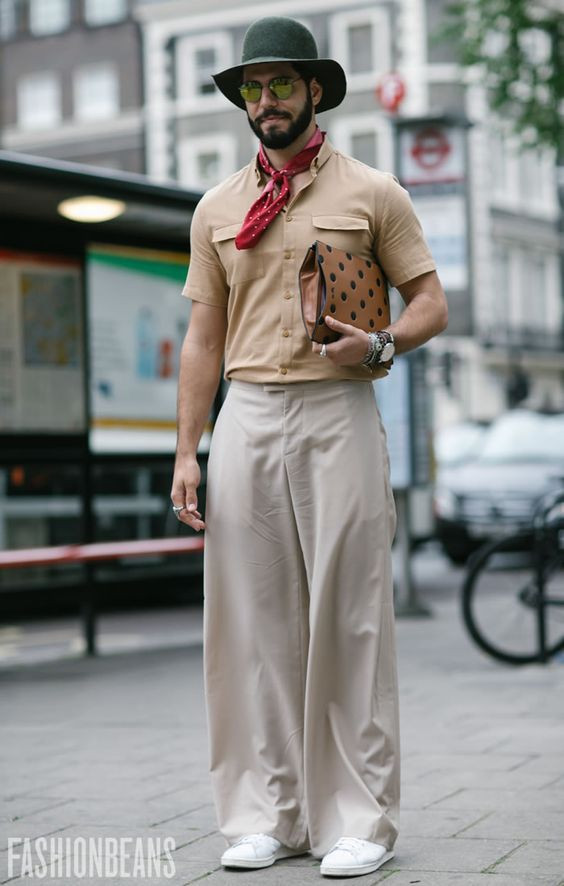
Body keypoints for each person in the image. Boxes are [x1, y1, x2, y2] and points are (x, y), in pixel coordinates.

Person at [171, 15, 447, 879]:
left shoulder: (373, 192)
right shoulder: (217, 208)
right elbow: (201, 341)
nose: (266, 100)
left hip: (340, 409)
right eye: (253, 88)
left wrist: (381, 346)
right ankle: (267, 812)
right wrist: (187, 450)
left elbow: (431, 303)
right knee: (252, 624)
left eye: (281, 84)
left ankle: (359, 818)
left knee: (350, 613)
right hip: (246, 414)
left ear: (315, 91)